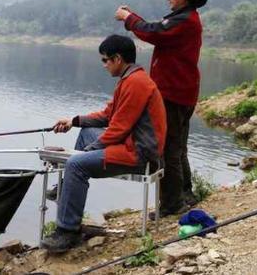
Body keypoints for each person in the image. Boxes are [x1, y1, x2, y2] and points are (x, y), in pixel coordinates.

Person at [40, 34, 166, 253]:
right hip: (130, 143)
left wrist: (85, 153)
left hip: (138, 153)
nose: (104, 65)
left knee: (75, 165)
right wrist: (74, 121)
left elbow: (118, 129)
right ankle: (66, 188)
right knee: (87, 132)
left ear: (117, 58)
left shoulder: (136, 83)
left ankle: (67, 231)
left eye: (105, 60)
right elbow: (108, 115)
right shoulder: (129, 79)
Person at [114, 0, 206, 217]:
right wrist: (132, 17)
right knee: (179, 148)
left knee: (168, 149)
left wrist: (127, 17)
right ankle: (185, 194)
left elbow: (153, 32)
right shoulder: (186, 19)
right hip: (183, 91)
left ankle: (172, 204)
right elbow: (156, 30)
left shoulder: (184, 20)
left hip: (173, 93)